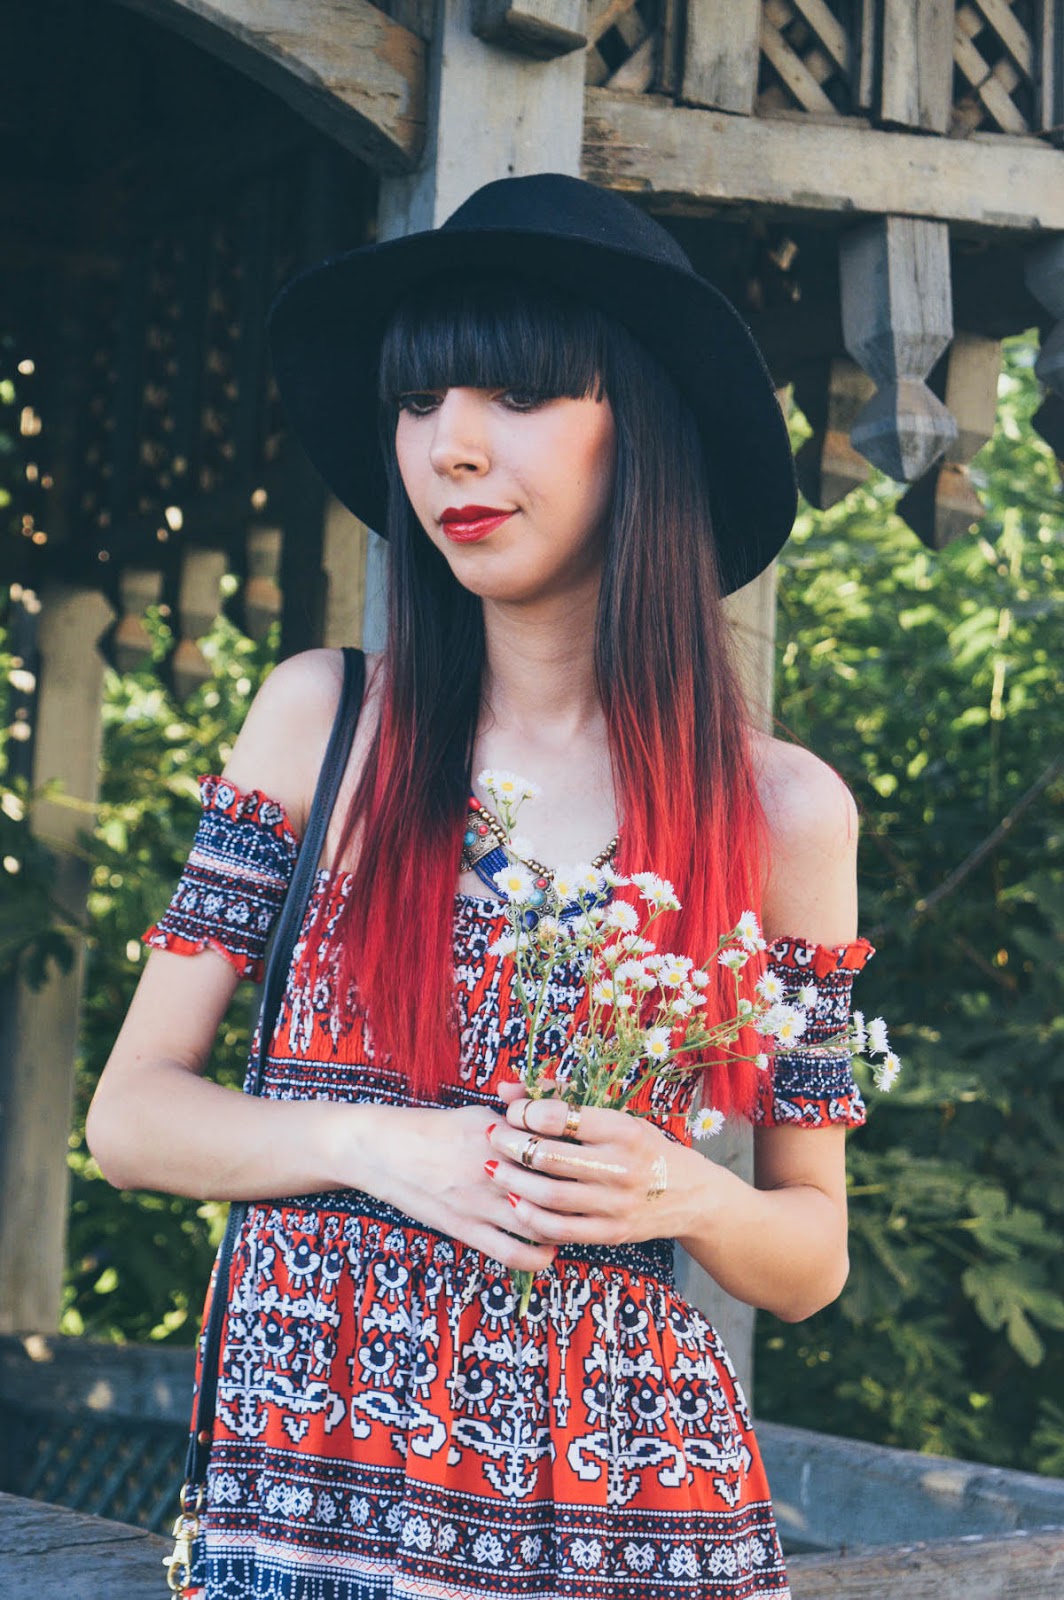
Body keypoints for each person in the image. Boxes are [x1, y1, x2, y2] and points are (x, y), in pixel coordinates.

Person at [87, 173, 872, 1600]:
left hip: (629, 1516)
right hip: (308, 1513)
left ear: (644, 430)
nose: (449, 446)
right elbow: (131, 1120)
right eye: (417, 401)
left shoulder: (780, 812)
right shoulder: (325, 725)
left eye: (515, 394)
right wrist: (383, 1147)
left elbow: (810, 1255)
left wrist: (681, 1189)